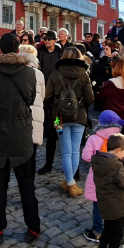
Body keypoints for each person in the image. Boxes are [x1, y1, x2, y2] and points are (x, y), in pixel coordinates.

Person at [0, 33, 41, 244]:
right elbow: (30, 100)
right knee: (26, 185)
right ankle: (33, 228)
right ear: (18, 50)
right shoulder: (29, 74)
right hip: (21, 135)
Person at [46, 46, 94, 196]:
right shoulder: (84, 75)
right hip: (79, 116)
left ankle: (70, 182)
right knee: (74, 151)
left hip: (58, 117)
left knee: (65, 152)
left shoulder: (55, 73)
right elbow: (90, 98)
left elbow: (47, 96)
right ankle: (71, 182)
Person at [81, 110, 124, 242]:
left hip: (98, 178)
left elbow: (86, 157)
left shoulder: (94, 138)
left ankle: (98, 231)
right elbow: (122, 156)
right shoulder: (119, 139)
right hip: (114, 177)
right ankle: (110, 229)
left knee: (98, 204)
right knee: (110, 203)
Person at [91, 133, 124, 248]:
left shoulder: (100, 162)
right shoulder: (116, 166)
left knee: (108, 228)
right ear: (118, 150)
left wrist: (121, 171)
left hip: (105, 203)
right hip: (117, 205)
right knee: (117, 232)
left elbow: (109, 178)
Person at [36, 32, 64, 173]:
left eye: (48, 39)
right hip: (44, 88)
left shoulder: (60, 51)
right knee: (46, 115)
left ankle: (57, 129)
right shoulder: (40, 51)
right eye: (44, 39)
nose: (45, 41)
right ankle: (47, 130)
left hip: (58, 92)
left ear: (54, 40)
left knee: (57, 120)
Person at [17, 43, 46, 155]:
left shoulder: (15, 72)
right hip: (36, 112)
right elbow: (43, 95)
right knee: (32, 150)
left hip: (19, 112)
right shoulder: (39, 73)